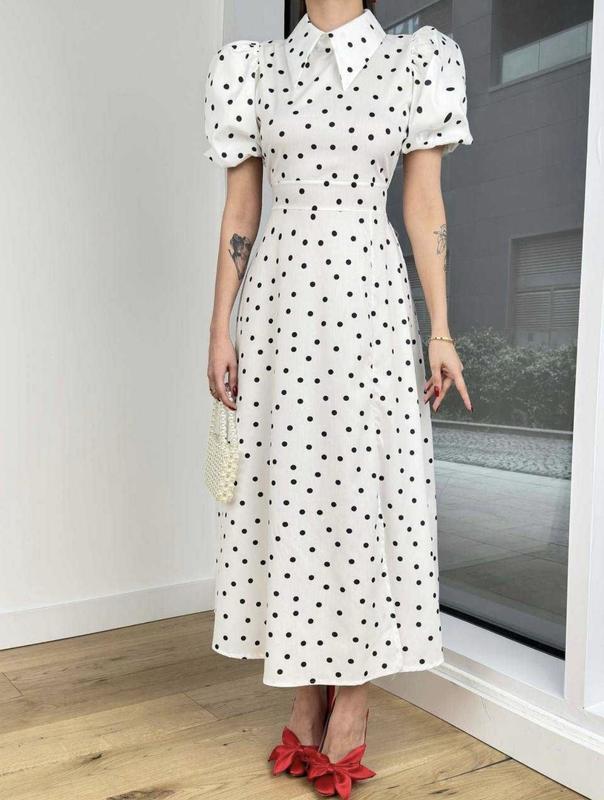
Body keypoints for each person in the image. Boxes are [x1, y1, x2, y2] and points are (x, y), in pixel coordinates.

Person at [202, 0, 473, 795]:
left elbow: (423, 205)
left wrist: (442, 329)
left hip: (369, 302)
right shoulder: (254, 68)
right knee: (290, 492)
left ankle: (351, 694)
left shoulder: (415, 61)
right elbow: (242, 209)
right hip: (279, 304)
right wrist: (220, 327)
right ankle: (302, 683)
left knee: (360, 490)